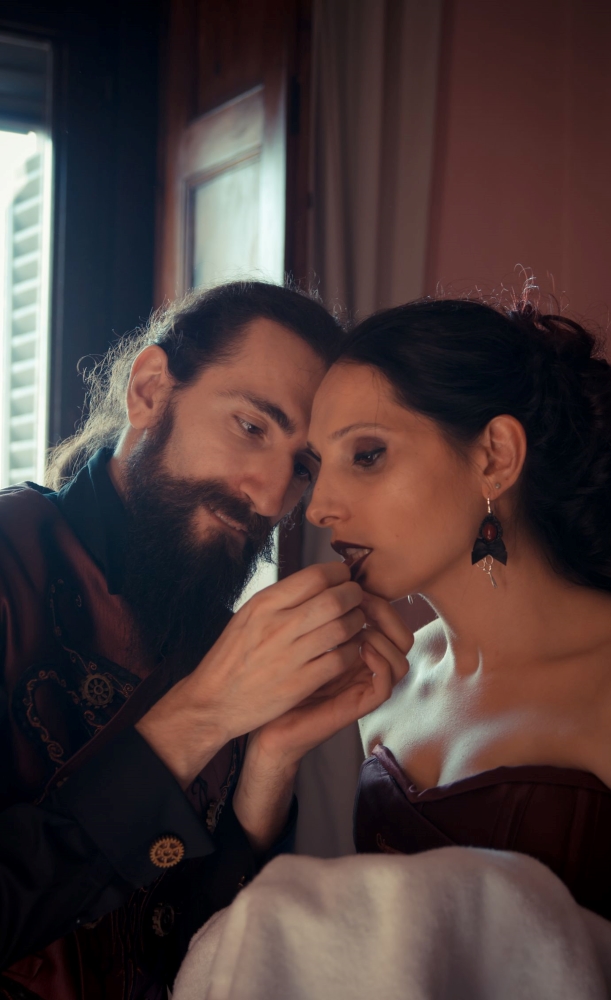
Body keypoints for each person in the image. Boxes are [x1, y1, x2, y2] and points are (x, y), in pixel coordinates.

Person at [0, 281, 411, 1000]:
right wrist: (201, 719)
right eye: (252, 427)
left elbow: (211, 959)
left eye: (303, 466)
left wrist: (270, 759)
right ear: (151, 390)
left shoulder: (229, 647)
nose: (271, 494)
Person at [301, 297, 611, 993]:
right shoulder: (390, 681)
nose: (319, 505)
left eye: (367, 454)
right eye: (317, 466)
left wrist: (528, 948)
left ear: (495, 457)